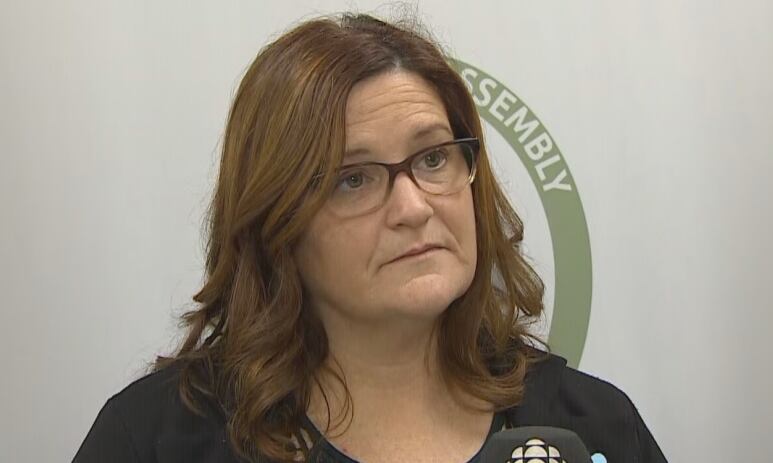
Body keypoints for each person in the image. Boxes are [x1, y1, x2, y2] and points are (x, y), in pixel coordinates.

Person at [72, 13, 666, 463]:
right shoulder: (156, 439)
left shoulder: (594, 426)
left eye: (433, 158)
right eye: (353, 178)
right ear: (276, 220)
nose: (413, 207)